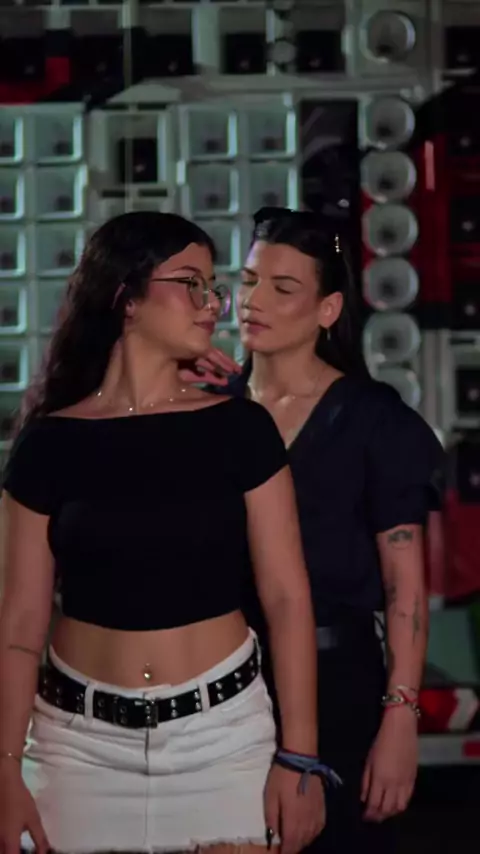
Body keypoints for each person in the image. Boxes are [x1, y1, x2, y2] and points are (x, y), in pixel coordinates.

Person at [0, 211, 329, 854]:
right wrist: (6, 765)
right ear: (126, 297)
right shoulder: (49, 442)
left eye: (214, 287)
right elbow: (18, 626)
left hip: (223, 740)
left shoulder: (241, 428)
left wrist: (301, 758)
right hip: (76, 747)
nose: (212, 304)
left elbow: (288, 600)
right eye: (190, 283)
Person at [180, 207, 445, 854]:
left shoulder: (371, 419)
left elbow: (404, 586)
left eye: (283, 287)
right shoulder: (208, 408)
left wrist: (401, 716)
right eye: (248, 281)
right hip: (217, 681)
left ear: (328, 310)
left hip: (338, 683)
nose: (254, 301)